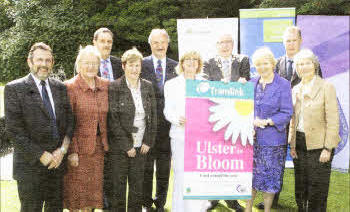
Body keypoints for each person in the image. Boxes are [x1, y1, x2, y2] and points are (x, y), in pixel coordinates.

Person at [257, 26, 323, 210]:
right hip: (276, 125)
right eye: (287, 40)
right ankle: (271, 198)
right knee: (275, 163)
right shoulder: (276, 63)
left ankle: (302, 203)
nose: (291, 44)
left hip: (300, 124)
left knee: (301, 168)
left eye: (294, 40)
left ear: (300, 41)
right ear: (283, 43)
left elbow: (318, 91)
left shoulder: (310, 62)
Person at [4, 42, 74, 211]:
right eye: (39, 60)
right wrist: (41, 155)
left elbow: (70, 123)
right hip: (30, 167)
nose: (44, 64)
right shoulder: (14, 89)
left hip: (56, 166)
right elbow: (14, 130)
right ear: (30, 62)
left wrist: (62, 151)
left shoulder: (60, 87)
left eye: (48, 60)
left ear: (52, 63)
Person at [203, 33, 250, 211]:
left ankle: (232, 198)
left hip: (237, 118)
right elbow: (204, 85)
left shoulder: (243, 60)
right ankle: (213, 197)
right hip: (215, 117)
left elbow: (247, 83)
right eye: (221, 42)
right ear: (217, 45)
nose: (225, 45)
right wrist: (218, 86)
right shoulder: (208, 62)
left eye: (228, 42)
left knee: (232, 159)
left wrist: (243, 82)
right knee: (215, 159)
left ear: (233, 44)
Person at [289, 49, 340, 212]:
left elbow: (333, 120)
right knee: (301, 187)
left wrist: (328, 148)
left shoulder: (327, 87)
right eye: (300, 64)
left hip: (320, 146)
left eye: (307, 63)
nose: (304, 67)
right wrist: (292, 145)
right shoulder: (295, 89)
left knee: (317, 189)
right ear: (297, 67)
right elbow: (293, 120)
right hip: (300, 143)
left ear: (315, 65)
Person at [108, 47, 157, 212]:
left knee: (137, 187)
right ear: (123, 66)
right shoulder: (114, 87)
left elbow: (153, 117)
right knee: (119, 187)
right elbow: (113, 120)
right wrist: (127, 146)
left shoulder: (147, 86)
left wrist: (148, 141)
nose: (135, 69)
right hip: (121, 148)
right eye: (131, 65)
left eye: (137, 65)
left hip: (141, 146)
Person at [245, 47, 293, 212]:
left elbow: (287, 112)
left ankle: (266, 210)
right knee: (249, 177)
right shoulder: (251, 83)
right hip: (251, 140)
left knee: (270, 179)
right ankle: (248, 208)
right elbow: (242, 109)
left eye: (265, 63)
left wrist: (268, 121)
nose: (262, 67)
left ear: (272, 64)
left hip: (273, 142)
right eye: (258, 64)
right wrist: (250, 122)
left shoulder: (284, 84)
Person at [63, 45, 110, 211]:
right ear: (79, 64)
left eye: (94, 63)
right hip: (79, 151)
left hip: (99, 149)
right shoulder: (70, 87)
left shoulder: (105, 85)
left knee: (92, 197)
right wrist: (72, 151)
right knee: (78, 196)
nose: (90, 67)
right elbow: (68, 122)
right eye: (86, 63)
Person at [164, 51, 209, 212]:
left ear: (199, 64)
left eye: (194, 60)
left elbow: (211, 109)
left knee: (198, 176)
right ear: (181, 63)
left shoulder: (205, 83)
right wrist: (177, 119)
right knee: (181, 175)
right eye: (187, 59)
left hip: (200, 138)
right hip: (180, 136)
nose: (191, 62)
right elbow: (167, 111)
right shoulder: (171, 84)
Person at [141, 28, 178, 212]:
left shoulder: (176, 66)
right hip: (146, 127)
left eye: (163, 42)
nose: (160, 45)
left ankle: (161, 203)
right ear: (150, 44)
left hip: (168, 128)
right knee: (147, 170)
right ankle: (147, 204)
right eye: (155, 42)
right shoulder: (140, 64)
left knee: (164, 170)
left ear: (167, 44)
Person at [93, 27, 123, 210]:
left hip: (117, 126)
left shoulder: (119, 63)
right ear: (94, 42)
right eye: (102, 41)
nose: (106, 45)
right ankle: (102, 203)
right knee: (98, 170)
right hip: (96, 127)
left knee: (115, 171)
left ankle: (112, 205)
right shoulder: (87, 63)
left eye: (109, 41)